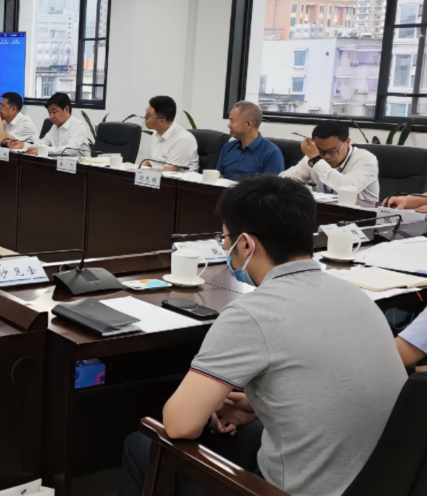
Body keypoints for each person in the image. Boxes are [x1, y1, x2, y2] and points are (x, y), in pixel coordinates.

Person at [119, 175, 406, 496]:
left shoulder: (252, 313)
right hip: (385, 482)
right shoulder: (355, 294)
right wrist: (261, 405)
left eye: (225, 240)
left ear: (246, 244)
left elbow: (179, 425)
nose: (225, 248)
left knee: (143, 444)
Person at [281, 121, 379, 206]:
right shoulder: (314, 157)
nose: (326, 156)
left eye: (333, 151)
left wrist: (316, 160)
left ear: (347, 142)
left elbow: (347, 188)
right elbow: (284, 179)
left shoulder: (366, 159)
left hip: (360, 216)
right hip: (323, 213)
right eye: (320, 151)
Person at [215, 101, 285, 179]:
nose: (229, 125)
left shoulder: (271, 153)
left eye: (232, 121)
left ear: (248, 124)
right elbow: (218, 176)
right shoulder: (228, 147)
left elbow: (272, 185)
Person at [9, 92, 89, 156]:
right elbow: (43, 142)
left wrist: (43, 150)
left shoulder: (78, 125)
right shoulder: (55, 127)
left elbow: (70, 150)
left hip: (81, 168)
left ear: (66, 109)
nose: (51, 116)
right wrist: (23, 145)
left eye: (54, 112)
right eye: (49, 112)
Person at [140, 96, 198, 172]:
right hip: (157, 176)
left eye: (148, 116)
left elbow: (169, 172)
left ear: (162, 120)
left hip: (175, 178)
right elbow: (149, 162)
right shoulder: (155, 134)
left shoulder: (183, 139)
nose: (145, 117)